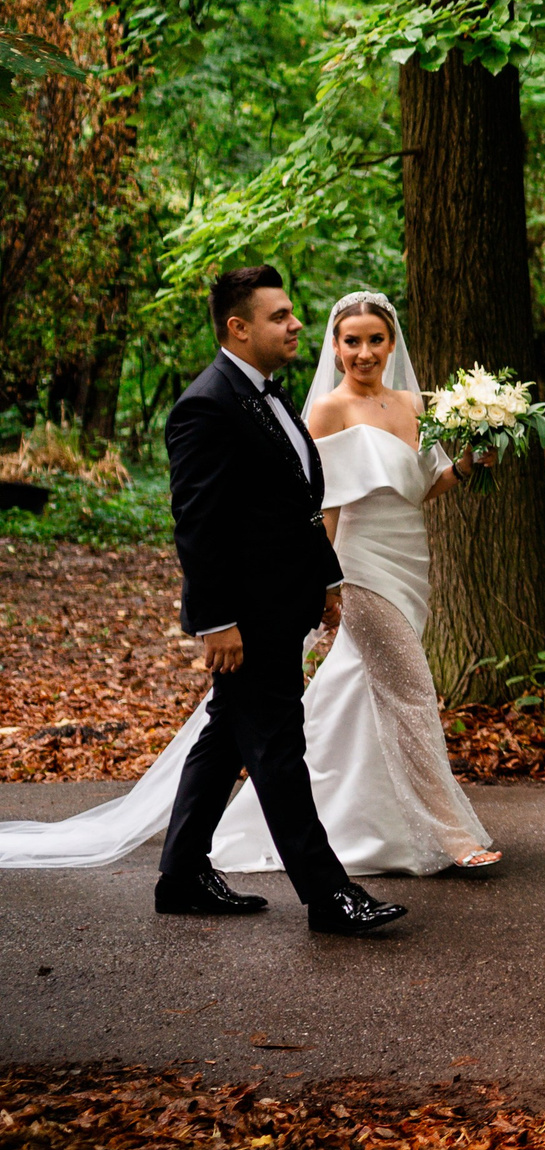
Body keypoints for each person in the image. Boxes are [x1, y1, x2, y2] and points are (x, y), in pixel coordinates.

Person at [0, 266, 408, 935]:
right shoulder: (206, 404)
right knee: (277, 747)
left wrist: (327, 580)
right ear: (238, 327)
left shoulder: (265, 397)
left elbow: (300, 505)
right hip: (244, 617)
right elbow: (198, 523)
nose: (295, 323)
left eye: (292, 313)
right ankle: (329, 894)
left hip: (284, 602)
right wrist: (215, 620)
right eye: (280, 316)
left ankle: (183, 873)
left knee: (226, 736)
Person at [204, 289, 500, 875]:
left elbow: (425, 485)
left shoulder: (417, 404)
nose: (364, 353)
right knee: (412, 690)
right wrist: (325, 580)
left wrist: (470, 462)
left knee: (362, 692)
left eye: (375, 340)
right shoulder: (329, 411)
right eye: (351, 341)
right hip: (359, 566)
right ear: (335, 348)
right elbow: (320, 505)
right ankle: (452, 834)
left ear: (392, 343)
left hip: (411, 562)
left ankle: (341, 818)